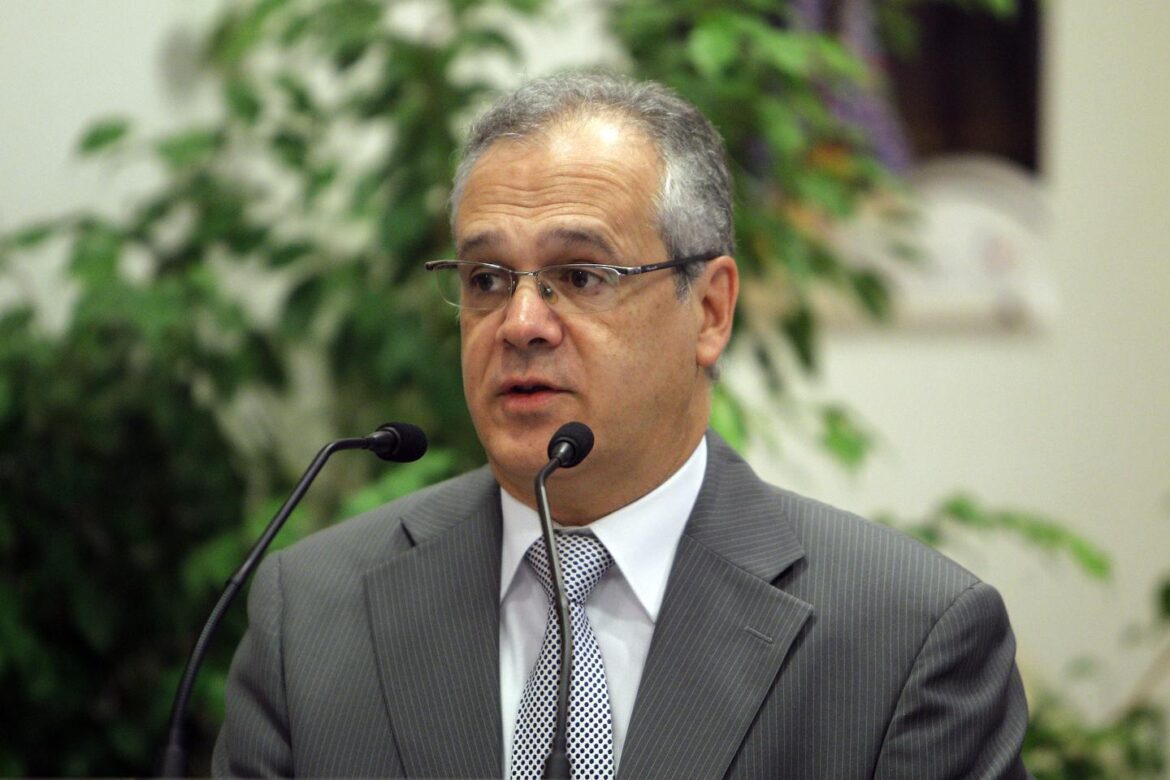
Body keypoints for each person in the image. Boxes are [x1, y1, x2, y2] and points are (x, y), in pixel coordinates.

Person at [213, 70, 1030, 778]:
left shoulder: (906, 639)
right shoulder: (312, 615)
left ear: (710, 311)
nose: (520, 323)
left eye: (580, 275)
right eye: (487, 278)